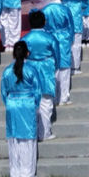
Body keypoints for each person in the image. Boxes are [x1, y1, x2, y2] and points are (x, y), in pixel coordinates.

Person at [1, 40, 42, 177]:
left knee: (14, 139)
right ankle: (27, 173)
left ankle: (16, 172)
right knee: (28, 138)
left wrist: (10, 104)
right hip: (27, 104)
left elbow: (3, 92)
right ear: (27, 53)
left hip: (12, 104)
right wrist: (34, 105)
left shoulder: (7, 71)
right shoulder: (31, 70)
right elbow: (38, 91)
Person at [23, 9, 59, 141]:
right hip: (46, 69)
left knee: (33, 102)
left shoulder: (25, 38)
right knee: (46, 102)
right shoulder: (50, 37)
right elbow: (57, 56)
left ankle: (34, 131)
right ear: (44, 22)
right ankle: (45, 131)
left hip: (30, 69)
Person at [42, 0, 75, 106]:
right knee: (65, 69)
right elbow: (71, 26)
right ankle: (64, 97)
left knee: (53, 68)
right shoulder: (65, 9)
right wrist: (71, 39)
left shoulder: (45, 10)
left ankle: (54, 97)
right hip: (64, 39)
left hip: (51, 39)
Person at [57, 0, 88, 74]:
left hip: (64, 11)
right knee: (76, 40)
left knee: (66, 40)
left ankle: (66, 65)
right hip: (75, 11)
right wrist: (82, 5)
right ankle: (75, 66)